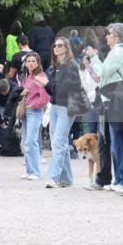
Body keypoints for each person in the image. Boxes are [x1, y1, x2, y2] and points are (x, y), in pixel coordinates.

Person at [84, 22, 123, 194]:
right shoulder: (117, 52)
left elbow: (103, 73)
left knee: (118, 142)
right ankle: (118, 180)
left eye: (108, 34)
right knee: (112, 141)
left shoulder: (118, 51)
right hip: (112, 99)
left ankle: (121, 180)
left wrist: (94, 57)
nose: (106, 37)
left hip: (115, 100)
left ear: (116, 35)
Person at [43, 36, 84, 188]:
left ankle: (53, 177)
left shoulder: (72, 65)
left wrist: (48, 83)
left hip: (66, 107)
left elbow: (67, 88)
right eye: (55, 45)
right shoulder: (56, 65)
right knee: (59, 143)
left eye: (60, 45)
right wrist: (46, 85)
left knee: (58, 142)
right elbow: (52, 91)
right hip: (54, 106)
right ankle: (66, 178)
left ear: (67, 48)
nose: (57, 48)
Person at [18, 52, 49, 181]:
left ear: (38, 63)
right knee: (25, 142)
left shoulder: (41, 77)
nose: (30, 63)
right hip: (26, 111)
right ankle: (29, 170)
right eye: (28, 61)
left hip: (34, 112)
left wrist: (33, 105)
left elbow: (45, 98)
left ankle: (35, 171)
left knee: (31, 141)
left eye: (33, 61)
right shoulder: (26, 78)